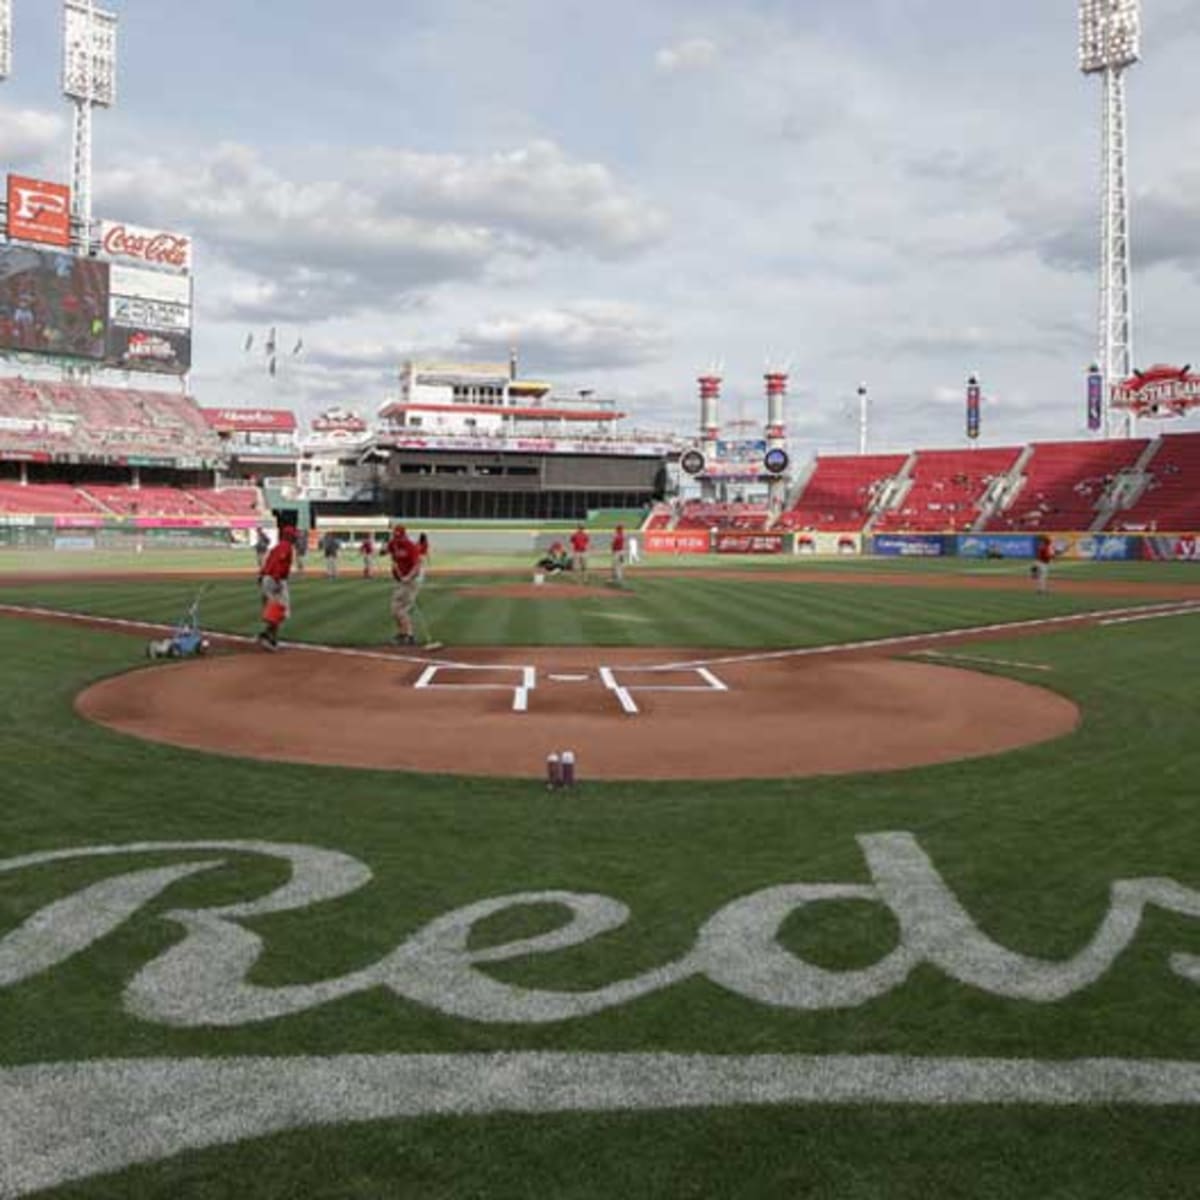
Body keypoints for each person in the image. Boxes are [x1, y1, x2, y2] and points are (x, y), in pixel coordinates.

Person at [257, 526, 297, 651]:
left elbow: (269, 562)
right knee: (280, 610)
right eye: (294, 535)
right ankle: (267, 637)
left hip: (268, 579)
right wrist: (277, 579)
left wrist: (262, 575)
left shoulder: (277, 547)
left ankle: (271, 638)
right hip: (275, 580)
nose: (295, 537)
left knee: (274, 609)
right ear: (289, 536)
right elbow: (279, 563)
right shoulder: (286, 547)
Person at [385, 523, 422, 645]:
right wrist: (391, 559)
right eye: (396, 537)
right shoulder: (393, 544)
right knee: (395, 609)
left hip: (411, 581)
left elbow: (417, 566)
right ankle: (403, 634)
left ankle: (409, 636)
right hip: (400, 581)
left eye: (399, 537)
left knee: (400, 609)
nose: (397, 539)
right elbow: (387, 551)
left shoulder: (411, 546)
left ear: (404, 535)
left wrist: (408, 577)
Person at [609, 523, 627, 588]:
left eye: (617, 528)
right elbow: (623, 543)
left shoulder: (616, 535)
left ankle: (616, 578)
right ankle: (618, 578)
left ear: (617, 529)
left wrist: (612, 550)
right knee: (620, 565)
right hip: (621, 551)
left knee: (615, 565)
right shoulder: (623, 535)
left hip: (617, 552)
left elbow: (613, 543)